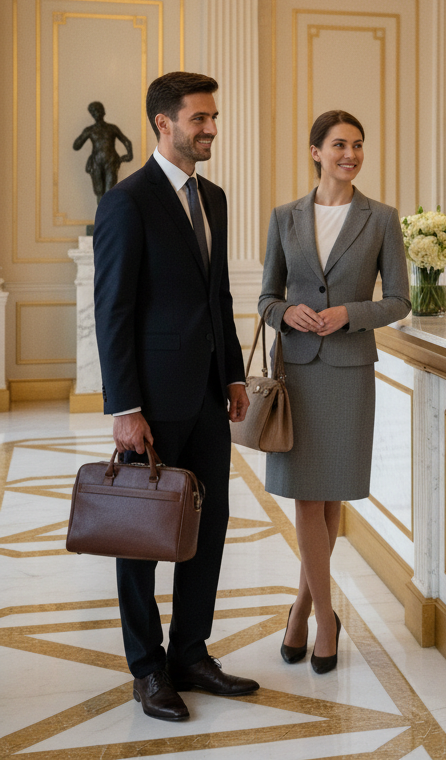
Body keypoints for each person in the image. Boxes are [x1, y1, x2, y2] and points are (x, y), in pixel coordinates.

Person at [93, 72, 257, 722]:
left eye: (212, 117)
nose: (211, 128)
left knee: (205, 527)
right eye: (200, 119)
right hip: (152, 406)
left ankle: (192, 653)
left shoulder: (211, 197)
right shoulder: (127, 202)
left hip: (208, 401)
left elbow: (217, 296)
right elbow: (114, 310)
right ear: (164, 124)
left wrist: (235, 375)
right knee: (140, 537)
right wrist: (124, 406)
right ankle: (147, 668)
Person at [258, 110, 411, 673]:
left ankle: (303, 610)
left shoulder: (381, 218)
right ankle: (325, 617)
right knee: (306, 497)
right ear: (316, 151)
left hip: (348, 369)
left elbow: (398, 299)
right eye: (340, 144)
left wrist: (349, 312)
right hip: (297, 370)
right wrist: (285, 312)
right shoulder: (284, 217)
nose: (351, 154)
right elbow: (265, 297)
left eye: (359, 145)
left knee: (332, 495)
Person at [73, 100, 133, 205]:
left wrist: (128, 155)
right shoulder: (90, 130)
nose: (96, 113)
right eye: (93, 112)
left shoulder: (112, 128)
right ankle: (102, 219)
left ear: (103, 112)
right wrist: (84, 135)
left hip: (111, 161)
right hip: (96, 162)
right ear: (91, 114)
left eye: (98, 110)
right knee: (99, 191)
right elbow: (76, 146)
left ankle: (108, 218)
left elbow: (126, 141)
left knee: (110, 191)